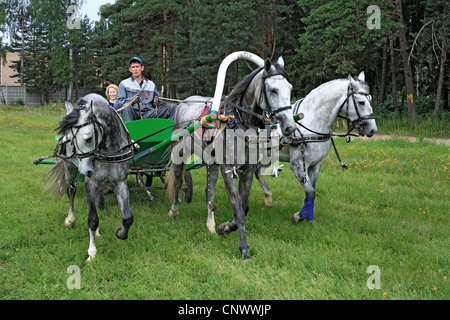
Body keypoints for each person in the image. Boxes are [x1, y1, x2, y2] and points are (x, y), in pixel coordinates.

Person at [116, 57, 178, 122]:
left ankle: (170, 130)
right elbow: (119, 102)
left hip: (148, 113)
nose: (135, 69)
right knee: (126, 107)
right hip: (133, 113)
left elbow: (158, 104)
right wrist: (132, 100)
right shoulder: (124, 84)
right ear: (130, 69)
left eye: (137, 67)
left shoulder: (151, 84)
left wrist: (159, 101)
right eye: (133, 67)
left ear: (142, 68)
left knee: (173, 107)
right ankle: (130, 131)